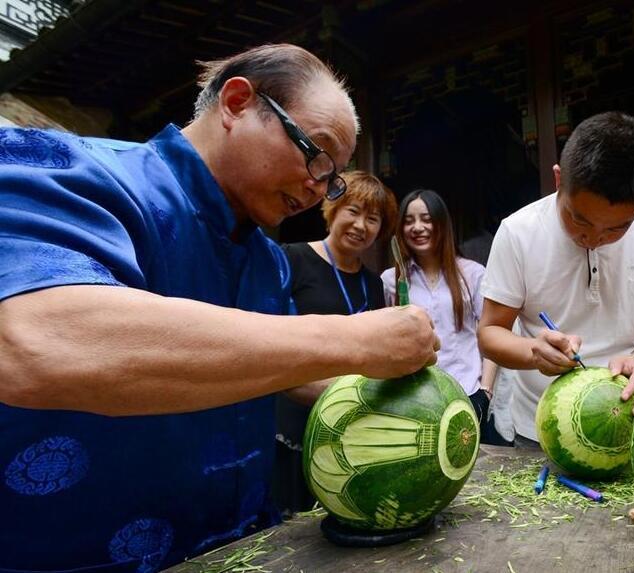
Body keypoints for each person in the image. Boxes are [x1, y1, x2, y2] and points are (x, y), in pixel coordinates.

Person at [0, 44, 438, 573]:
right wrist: (358, 340)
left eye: (332, 177)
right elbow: (37, 341)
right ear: (236, 103)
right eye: (315, 155)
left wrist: (417, 410)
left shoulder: (268, 261)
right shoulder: (65, 169)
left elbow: (278, 370)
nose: (317, 187)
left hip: (243, 548)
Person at [478, 111, 634, 446]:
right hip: (542, 428)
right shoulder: (518, 233)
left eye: (617, 228)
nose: (594, 238)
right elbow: (489, 333)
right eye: (580, 221)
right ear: (559, 180)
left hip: (624, 421)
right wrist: (534, 352)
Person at [274, 170, 397, 516]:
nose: (361, 225)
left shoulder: (373, 286)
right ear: (332, 208)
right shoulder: (292, 259)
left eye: (373, 219)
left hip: (348, 424)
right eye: (353, 211)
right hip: (295, 415)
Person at [381, 189, 504, 443]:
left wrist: (486, 392)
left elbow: (490, 332)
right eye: (409, 221)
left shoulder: (472, 275)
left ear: (441, 223)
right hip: (415, 400)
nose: (418, 227)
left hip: (467, 394)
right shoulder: (391, 281)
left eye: (426, 219)